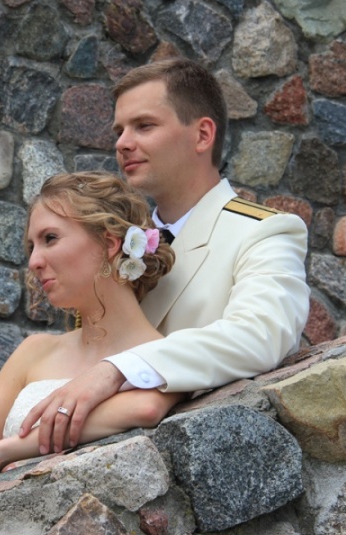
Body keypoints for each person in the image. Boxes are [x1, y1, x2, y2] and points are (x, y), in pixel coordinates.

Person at [19, 58, 310, 456]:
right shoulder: (107, 246)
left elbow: (260, 335)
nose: (122, 143)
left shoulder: (263, 232)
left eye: (144, 126)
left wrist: (118, 369)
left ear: (202, 135)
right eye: (119, 130)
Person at [0, 172, 180, 511]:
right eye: (31, 246)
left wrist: (6, 450)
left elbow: (146, 408)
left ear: (109, 244)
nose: (34, 261)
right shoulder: (33, 352)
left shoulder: (165, 357)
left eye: (50, 238)